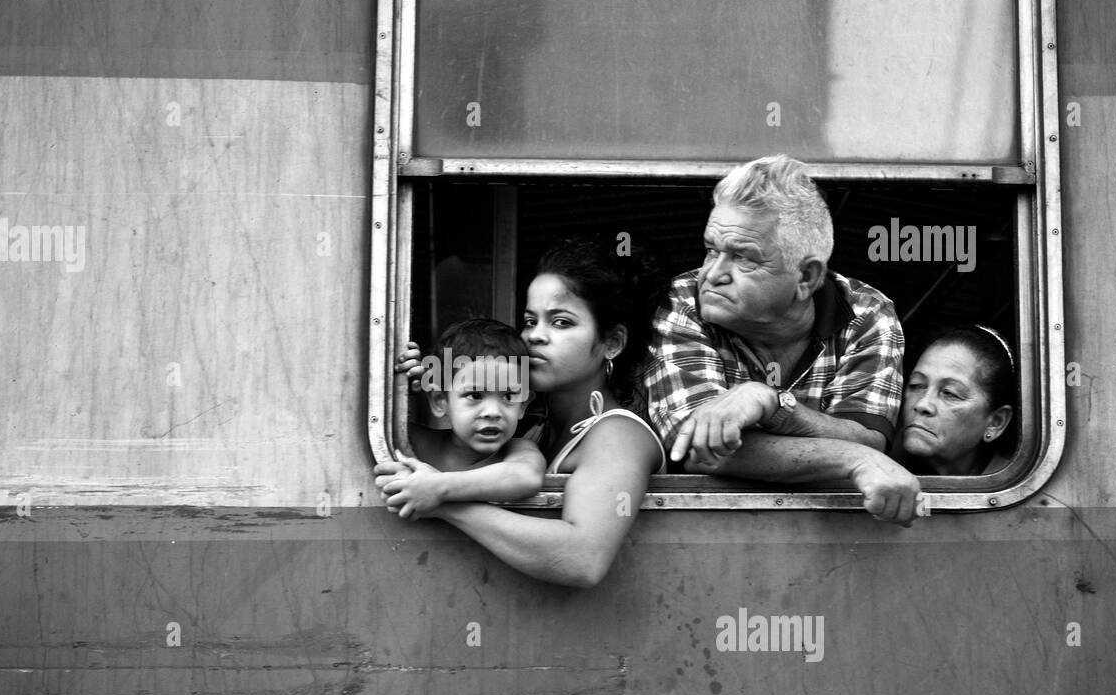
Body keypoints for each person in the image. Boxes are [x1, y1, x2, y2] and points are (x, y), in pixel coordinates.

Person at [644, 154, 922, 524]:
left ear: (806, 278)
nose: (711, 274)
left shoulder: (866, 312)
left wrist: (771, 404)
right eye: (712, 249)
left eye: (743, 258)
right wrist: (854, 461)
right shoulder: (681, 301)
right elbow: (700, 449)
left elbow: (868, 437)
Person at [375, 238, 666, 588]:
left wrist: (441, 502)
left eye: (560, 323)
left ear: (612, 343)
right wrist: (404, 384)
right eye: (530, 321)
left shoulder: (617, 437)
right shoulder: (533, 426)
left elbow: (582, 559)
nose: (535, 337)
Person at [383, 318, 545, 518]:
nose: (493, 411)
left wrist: (436, 487)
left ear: (523, 406)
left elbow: (527, 477)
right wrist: (397, 389)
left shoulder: (518, 449)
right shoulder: (416, 442)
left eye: (508, 396)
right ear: (439, 401)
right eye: (475, 396)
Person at [895, 325, 1017, 476]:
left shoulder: (1015, 486)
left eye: (950, 393)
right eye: (916, 385)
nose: (922, 404)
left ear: (995, 422)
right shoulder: (877, 466)